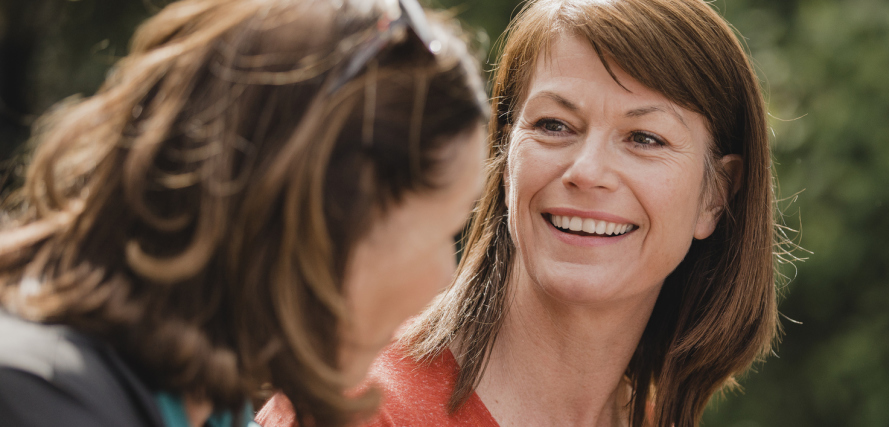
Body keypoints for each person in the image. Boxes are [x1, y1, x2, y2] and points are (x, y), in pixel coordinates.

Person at [260, 0, 789, 425]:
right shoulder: (351, 411)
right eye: (554, 125)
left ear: (716, 195)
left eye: (644, 138)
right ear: (505, 157)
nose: (587, 170)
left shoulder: (652, 416)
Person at [0, 0, 488, 426]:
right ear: (318, 212)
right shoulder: (36, 402)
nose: (443, 279)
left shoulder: (205, 406)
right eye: (446, 229)